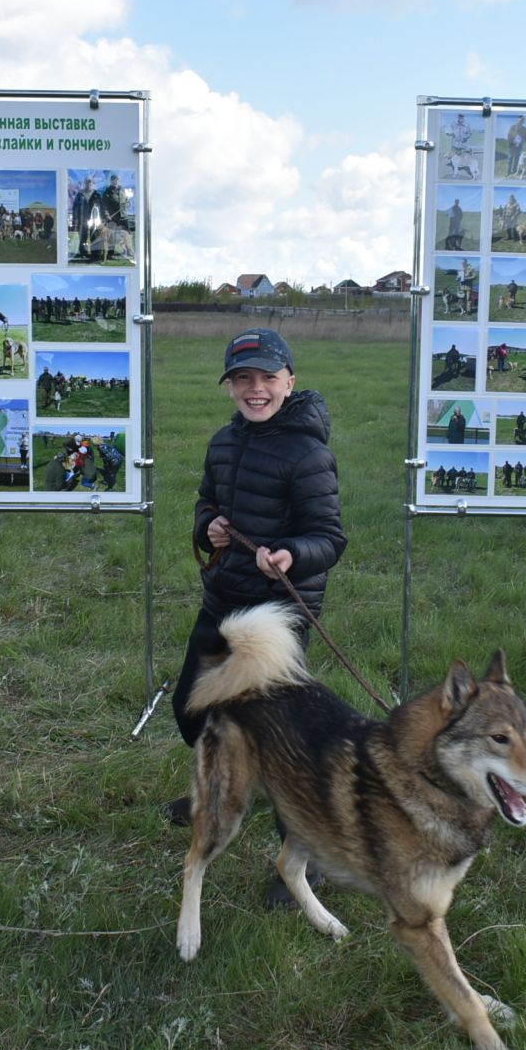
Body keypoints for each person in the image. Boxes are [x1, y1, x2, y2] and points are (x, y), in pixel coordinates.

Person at [166, 330, 346, 896]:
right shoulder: (223, 442)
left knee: (276, 742)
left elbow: (329, 536)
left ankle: (307, 857)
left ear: (289, 381)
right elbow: (206, 501)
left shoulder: (309, 452)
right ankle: (218, 793)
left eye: (268, 377)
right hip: (223, 601)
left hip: (276, 613)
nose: (256, 388)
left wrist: (294, 555)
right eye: (244, 378)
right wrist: (208, 526)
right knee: (191, 708)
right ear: (230, 388)